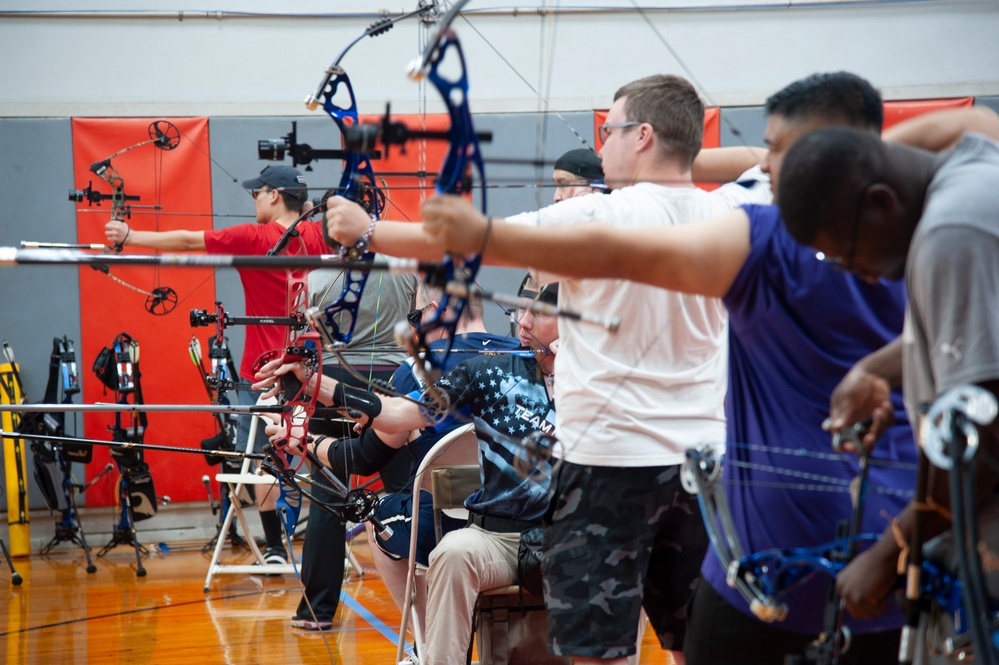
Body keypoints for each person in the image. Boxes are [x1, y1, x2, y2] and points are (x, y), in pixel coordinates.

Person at [422, 75, 999, 663]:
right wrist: (879, 368)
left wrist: (399, 233)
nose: (855, 266)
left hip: (823, 522)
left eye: (783, 149)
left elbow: (984, 441)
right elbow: (977, 127)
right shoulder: (764, 202)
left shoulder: (927, 233)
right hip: (743, 492)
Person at [346, 74, 770, 664]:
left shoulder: (594, 216)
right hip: (704, 471)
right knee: (691, 644)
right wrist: (685, 151)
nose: (600, 146)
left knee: (598, 651)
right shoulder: (733, 207)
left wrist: (362, 229)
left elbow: (462, 241)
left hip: (607, 473)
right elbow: (783, 155)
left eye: (610, 130)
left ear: (643, 135)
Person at [256, 283, 561, 665]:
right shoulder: (491, 369)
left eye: (539, 314)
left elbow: (366, 456)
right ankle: (434, 654)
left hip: (559, 532)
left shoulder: (592, 385)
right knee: (453, 553)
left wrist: (308, 443)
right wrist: (315, 383)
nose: (525, 321)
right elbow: (398, 414)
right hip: (493, 532)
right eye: (523, 311)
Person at [774, 126, 999, 629]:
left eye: (847, 256)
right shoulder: (975, 174)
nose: (862, 275)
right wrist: (874, 370)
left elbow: (980, 437)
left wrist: (890, 550)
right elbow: (980, 333)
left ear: (879, 203)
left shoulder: (950, 234)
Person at [105, 164, 328, 565]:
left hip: (260, 373)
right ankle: (324, 549)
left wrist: (130, 235)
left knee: (263, 459)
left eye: (256, 194)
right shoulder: (317, 233)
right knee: (318, 453)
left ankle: (276, 547)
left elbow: (189, 240)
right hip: (312, 373)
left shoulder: (253, 237)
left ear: (273, 195)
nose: (253, 201)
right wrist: (310, 210)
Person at [288, 258, 418, 631]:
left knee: (329, 496)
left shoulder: (316, 277)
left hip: (333, 382)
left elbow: (304, 331)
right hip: (392, 381)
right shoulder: (404, 271)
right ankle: (432, 597)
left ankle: (317, 611)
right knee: (408, 491)